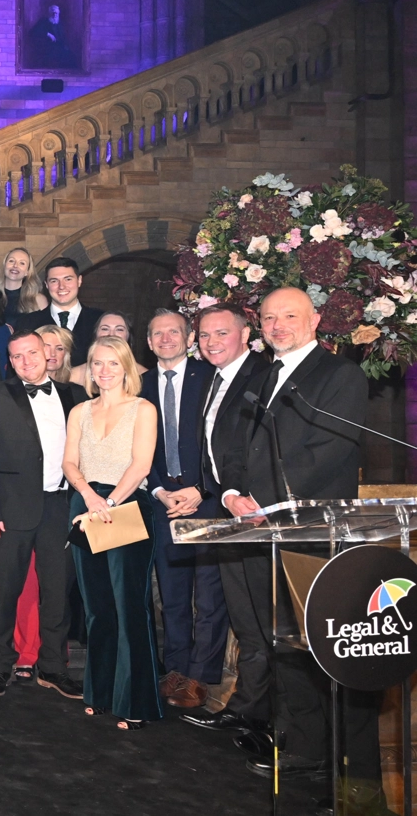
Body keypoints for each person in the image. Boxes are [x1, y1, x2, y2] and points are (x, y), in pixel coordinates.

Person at [216, 288, 380, 794]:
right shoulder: (262, 377)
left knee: (332, 654)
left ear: (317, 319)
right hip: (261, 533)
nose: (278, 325)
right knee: (283, 647)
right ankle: (307, 749)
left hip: (315, 537)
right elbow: (236, 445)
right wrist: (231, 494)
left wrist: (262, 502)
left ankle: (355, 777)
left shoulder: (339, 375)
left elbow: (326, 453)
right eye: (269, 318)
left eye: (290, 315)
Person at [0, 329, 87, 698]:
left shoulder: (75, 395)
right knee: (5, 592)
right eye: (17, 356)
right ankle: (0, 667)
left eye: (32, 353)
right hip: (10, 509)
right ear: (10, 361)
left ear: (47, 354)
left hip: (60, 507)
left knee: (57, 593)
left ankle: (53, 668)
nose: (26, 361)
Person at [62, 335, 161, 730]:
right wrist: (88, 496)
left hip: (127, 506)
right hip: (86, 507)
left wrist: (111, 501)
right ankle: (100, 693)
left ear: (126, 368)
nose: (104, 371)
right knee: (97, 607)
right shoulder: (80, 411)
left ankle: (136, 701)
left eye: (113, 363)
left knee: (130, 606)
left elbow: (141, 465)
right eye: (97, 363)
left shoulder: (143, 409)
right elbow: (69, 463)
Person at [181, 303, 270, 734]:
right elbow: (213, 447)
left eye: (221, 333)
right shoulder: (214, 378)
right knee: (243, 616)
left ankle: (264, 716)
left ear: (246, 334)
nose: (211, 342)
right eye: (204, 335)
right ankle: (248, 708)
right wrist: (208, 490)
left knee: (262, 617)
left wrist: (245, 496)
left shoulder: (263, 376)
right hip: (225, 505)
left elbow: (261, 448)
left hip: (254, 510)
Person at [137, 309, 223, 712]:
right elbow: (136, 448)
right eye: (158, 333)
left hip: (207, 499)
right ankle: (175, 668)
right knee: (171, 593)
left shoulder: (211, 378)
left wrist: (201, 488)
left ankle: (200, 676)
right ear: (148, 342)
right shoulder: (138, 385)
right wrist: (158, 490)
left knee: (208, 594)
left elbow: (223, 442)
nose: (166, 338)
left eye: (174, 332)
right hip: (163, 503)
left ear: (189, 338)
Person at [20, 257, 104, 364]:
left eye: (68, 279)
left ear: (79, 281)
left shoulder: (100, 321)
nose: (61, 286)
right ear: (46, 285)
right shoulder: (27, 323)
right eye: (54, 281)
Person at [70, 312, 145, 387]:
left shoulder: (145, 376)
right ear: (95, 334)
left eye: (119, 329)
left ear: (129, 336)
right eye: (105, 329)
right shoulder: (72, 376)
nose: (111, 334)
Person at [0, 247, 47, 318]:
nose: (15, 265)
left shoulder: (38, 300)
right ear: (4, 266)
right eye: (11, 261)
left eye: (22, 263)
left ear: (27, 271)